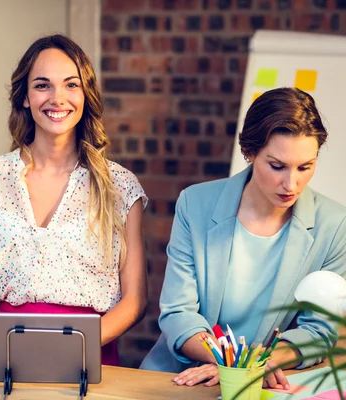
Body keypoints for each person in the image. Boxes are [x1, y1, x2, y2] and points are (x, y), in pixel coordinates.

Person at [0, 34, 148, 366]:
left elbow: (135, 299)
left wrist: (74, 347)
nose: (57, 98)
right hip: (9, 358)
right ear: (25, 98)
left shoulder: (120, 186)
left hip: (90, 357)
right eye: (43, 85)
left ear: (85, 95)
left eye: (71, 85)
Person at [140, 87, 346, 389]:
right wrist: (231, 366)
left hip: (271, 384)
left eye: (306, 167)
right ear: (249, 153)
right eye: (277, 166)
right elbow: (178, 312)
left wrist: (258, 366)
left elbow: (319, 330)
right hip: (184, 379)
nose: (292, 183)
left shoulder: (334, 224)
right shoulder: (195, 205)